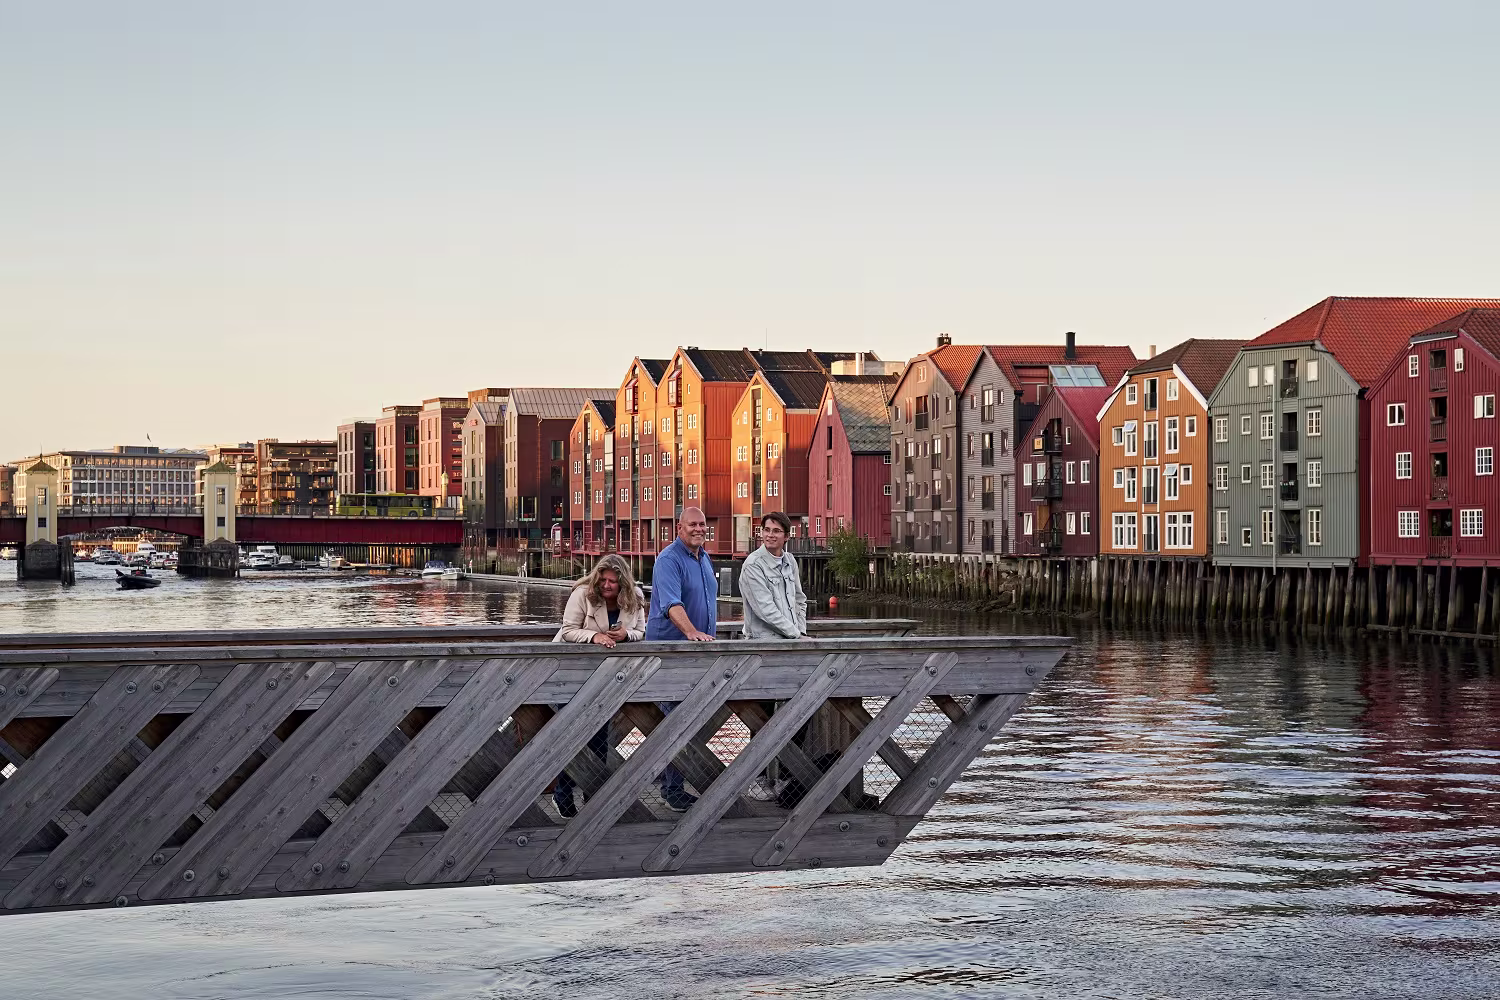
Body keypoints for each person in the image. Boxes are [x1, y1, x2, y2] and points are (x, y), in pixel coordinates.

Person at [550, 555, 645, 817]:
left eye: (612, 581)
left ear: (623, 582)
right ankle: (563, 793)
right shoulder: (582, 594)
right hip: (571, 673)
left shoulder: (636, 596)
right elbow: (568, 630)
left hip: (606, 675)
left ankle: (592, 794)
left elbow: (641, 631)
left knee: (600, 737)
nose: (606, 585)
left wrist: (626, 635)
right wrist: (595, 636)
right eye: (602, 579)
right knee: (572, 735)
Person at [644, 506, 718, 811]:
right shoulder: (668, 560)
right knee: (675, 719)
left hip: (697, 655)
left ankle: (673, 785)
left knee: (689, 719)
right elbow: (671, 604)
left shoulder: (703, 558)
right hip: (670, 654)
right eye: (692, 524)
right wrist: (691, 632)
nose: (699, 529)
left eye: (702, 524)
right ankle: (671, 790)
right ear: (679, 527)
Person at [738, 511, 808, 640]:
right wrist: (796, 634)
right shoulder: (753, 565)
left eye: (776, 531)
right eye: (767, 530)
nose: (770, 535)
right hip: (763, 643)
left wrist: (801, 632)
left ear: (786, 536)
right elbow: (765, 610)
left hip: (792, 641)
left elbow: (800, 600)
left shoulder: (790, 561)